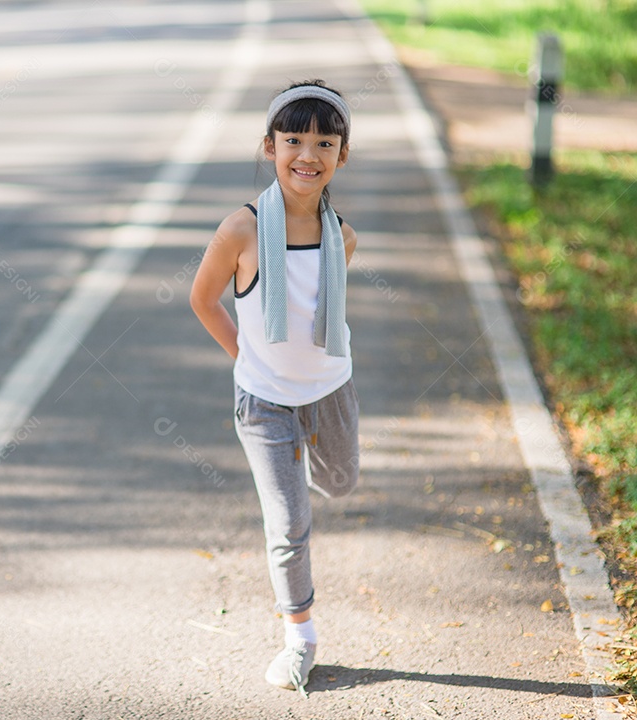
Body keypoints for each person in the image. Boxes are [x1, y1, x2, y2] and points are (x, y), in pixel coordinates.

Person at [189, 79, 360, 695]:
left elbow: (325, 311)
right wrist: (247, 359)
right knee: (289, 525)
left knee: (340, 481)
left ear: (342, 154)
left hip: (329, 389)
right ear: (269, 146)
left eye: (324, 141)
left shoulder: (342, 235)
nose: (306, 154)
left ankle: (305, 461)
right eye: (293, 139)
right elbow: (203, 299)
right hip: (262, 400)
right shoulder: (241, 229)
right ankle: (300, 638)